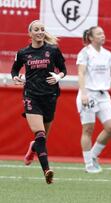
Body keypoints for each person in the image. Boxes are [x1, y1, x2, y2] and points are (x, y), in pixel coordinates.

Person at [11, 20, 67, 184]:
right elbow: (15, 69)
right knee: (40, 134)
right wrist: (16, 77)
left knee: (42, 139)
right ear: (30, 33)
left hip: (50, 96)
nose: (40, 32)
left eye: (42, 29)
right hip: (31, 96)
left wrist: (58, 76)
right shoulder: (23, 53)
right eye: (36, 29)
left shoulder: (53, 50)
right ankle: (47, 171)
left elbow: (64, 69)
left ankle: (34, 147)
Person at [76, 26, 111, 173]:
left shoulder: (107, 54)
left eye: (103, 33)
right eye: (99, 34)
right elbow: (81, 74)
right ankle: (88, 165)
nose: (102, 36)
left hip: (103, 95)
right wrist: (83, 94)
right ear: (91, 37)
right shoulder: (85, 53)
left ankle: (94, 156)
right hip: (88, 94)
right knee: (88, 129)